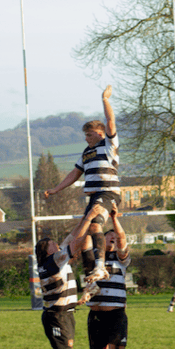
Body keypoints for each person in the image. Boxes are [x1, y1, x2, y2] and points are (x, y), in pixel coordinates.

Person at [27, 204, 104, 349]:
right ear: (48, 249)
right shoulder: (54, 261)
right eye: (54, 243)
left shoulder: (54, 260)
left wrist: (86, 218)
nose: (58, 245)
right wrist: (92, 220)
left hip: (63, 312)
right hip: (58, 316)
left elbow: (72, 236)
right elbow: (76, 242)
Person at [44, 85, 120, 284]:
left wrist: (105, 100)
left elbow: (111, 121)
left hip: (108, 193)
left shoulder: (108, 145)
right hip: (94, 195)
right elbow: (74, 174)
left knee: (94, 226)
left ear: (100, 134)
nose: (86, 138)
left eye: (90, 134)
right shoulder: (86, 152)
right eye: (85, 135)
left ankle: (100, 266)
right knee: (86, 231)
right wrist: (56, 189)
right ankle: (90, 275)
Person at [79, 203, 130, 349]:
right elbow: (85, 240)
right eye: (108, 236)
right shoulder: (92, 260)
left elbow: (123, 239)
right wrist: (91, 221)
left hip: (116, 313)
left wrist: (115, 219)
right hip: (96, 314)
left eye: (114, 238)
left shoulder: (121, 258)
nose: (113, 239)